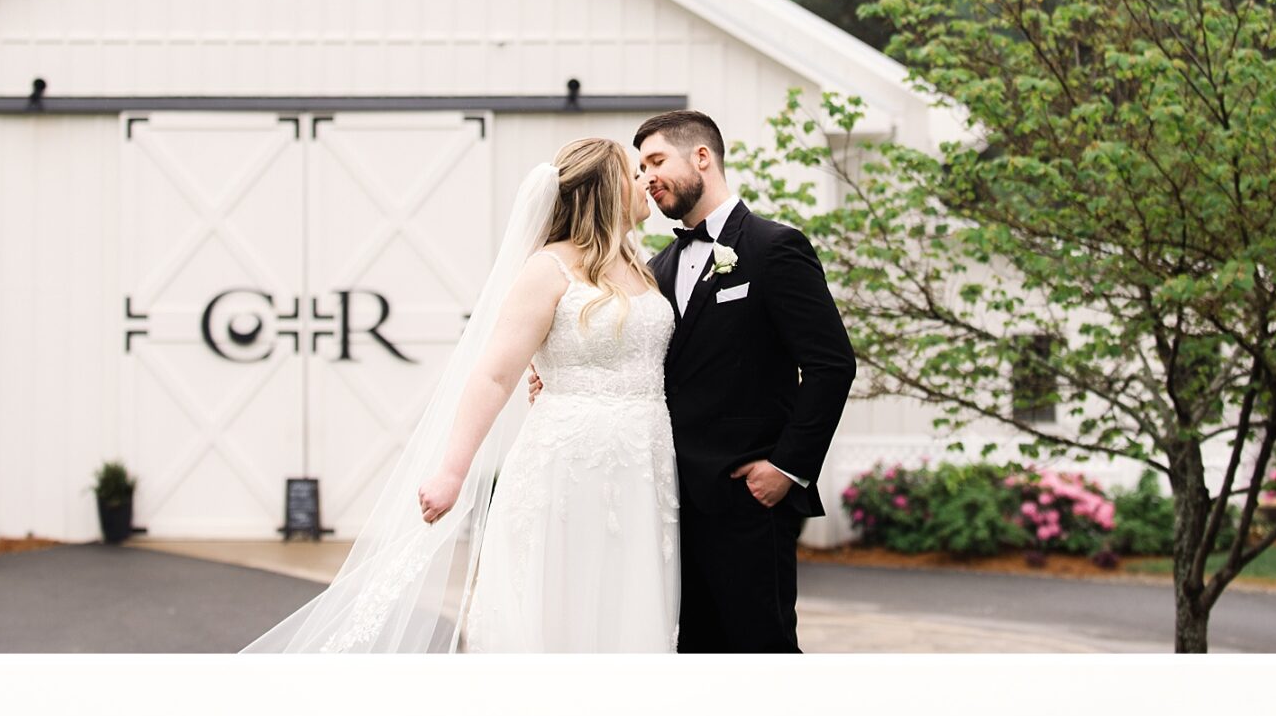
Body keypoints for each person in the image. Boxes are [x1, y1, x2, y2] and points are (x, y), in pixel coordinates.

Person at [244, 142, 677, 654]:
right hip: (570, 467)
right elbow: (494, 376)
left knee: (631, 603)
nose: (645, 180)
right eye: (634, 173)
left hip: (645, 463)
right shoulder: (548, 270)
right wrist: (453, 470)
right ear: (607, 189)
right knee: (568, 604)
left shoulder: (642, 266)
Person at [632, 111, 856, 654]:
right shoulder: (655, 268)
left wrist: (788, 468)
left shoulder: (775, 248)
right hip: (669, 506)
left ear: (702, 158)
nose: (646, 178)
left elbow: (831, 364)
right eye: (640, 168)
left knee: (763, 651)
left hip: (749, 502)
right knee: (689, 654)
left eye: (657, 161)